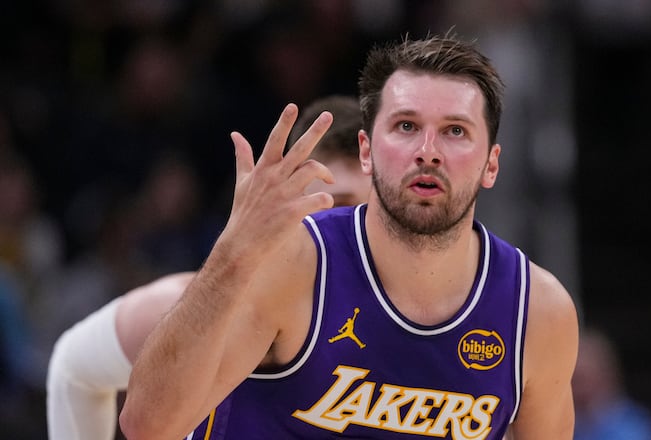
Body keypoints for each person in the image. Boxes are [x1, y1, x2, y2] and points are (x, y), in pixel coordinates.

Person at [119, 34, 579, 439]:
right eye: (406, 126)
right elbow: (146, 426)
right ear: (366, 151)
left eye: (455, 131)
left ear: (491, 164)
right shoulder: (289, 261)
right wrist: (232, 252)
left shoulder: (537, 312)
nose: (428, 152)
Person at [46, 95, 369, 440]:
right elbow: (73, 368)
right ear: (286, 204)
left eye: (366, 212)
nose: (351, 226)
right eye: (335, 206)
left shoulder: (402, 331)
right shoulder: (191, 314)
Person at [572, 328, 651, 440]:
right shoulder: (567, 422)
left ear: (606, 375)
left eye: (581, 378)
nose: (575, 388)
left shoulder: (634, 428)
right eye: (572, 379)